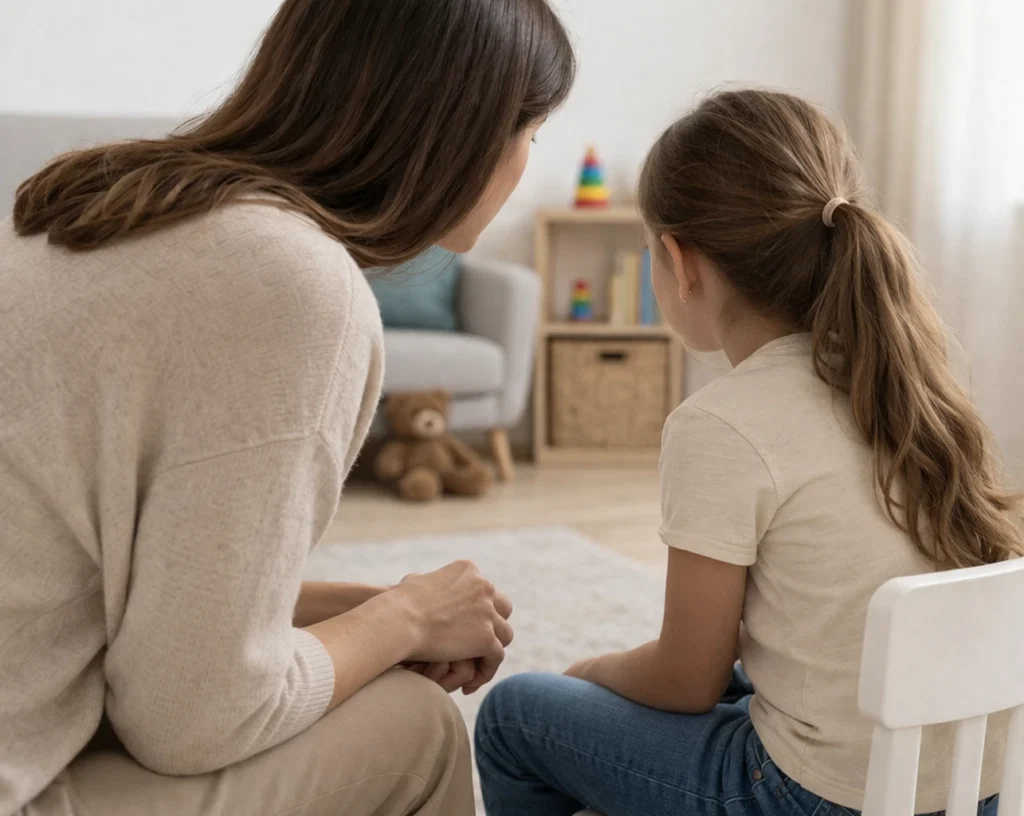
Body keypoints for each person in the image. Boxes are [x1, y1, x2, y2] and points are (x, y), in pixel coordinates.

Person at [0, 1, 574, 814]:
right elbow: (194, 716)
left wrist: (377, 610)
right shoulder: (292, 283)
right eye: (532, 135)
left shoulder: (103, 201)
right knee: (413, 725)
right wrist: (404, 622)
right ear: (471, 132)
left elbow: (131, 585)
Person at [475, 89, 1023, 816]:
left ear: (680, 263)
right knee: (741, 682)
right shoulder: (909, 386)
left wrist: (588, 672)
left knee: (516, 714)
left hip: (817, 799)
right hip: (977, 790)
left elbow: (685, 680)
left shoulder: (720, 426)